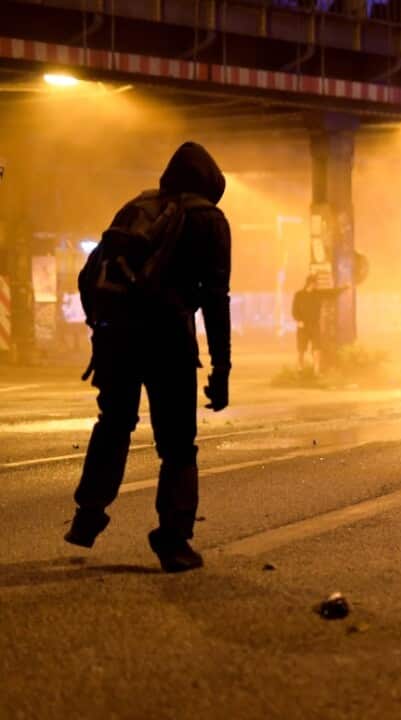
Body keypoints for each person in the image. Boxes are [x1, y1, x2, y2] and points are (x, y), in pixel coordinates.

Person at [65, 142, 232, 572]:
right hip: (169, 341)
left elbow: (89, 274)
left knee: (114, 423)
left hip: (116, 338)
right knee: (177, 444)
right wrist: (221, 367)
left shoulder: (135, 208)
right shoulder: (208, 219)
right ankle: (173, 541)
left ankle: (88, 514)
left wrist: (101, 327)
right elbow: (216, 298)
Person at [292, 273, 322, 372]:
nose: (317, 285)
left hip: (314, 325)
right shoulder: (299, 295)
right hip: (303, 326)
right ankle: (300, 369)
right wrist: (299, 320)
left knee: (317, 347)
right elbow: (294, 311)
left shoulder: (318, 294)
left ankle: (316, 370)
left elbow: (331, 293)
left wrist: (343, 288)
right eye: (315, 283)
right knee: (301, 349)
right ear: (310, 283)